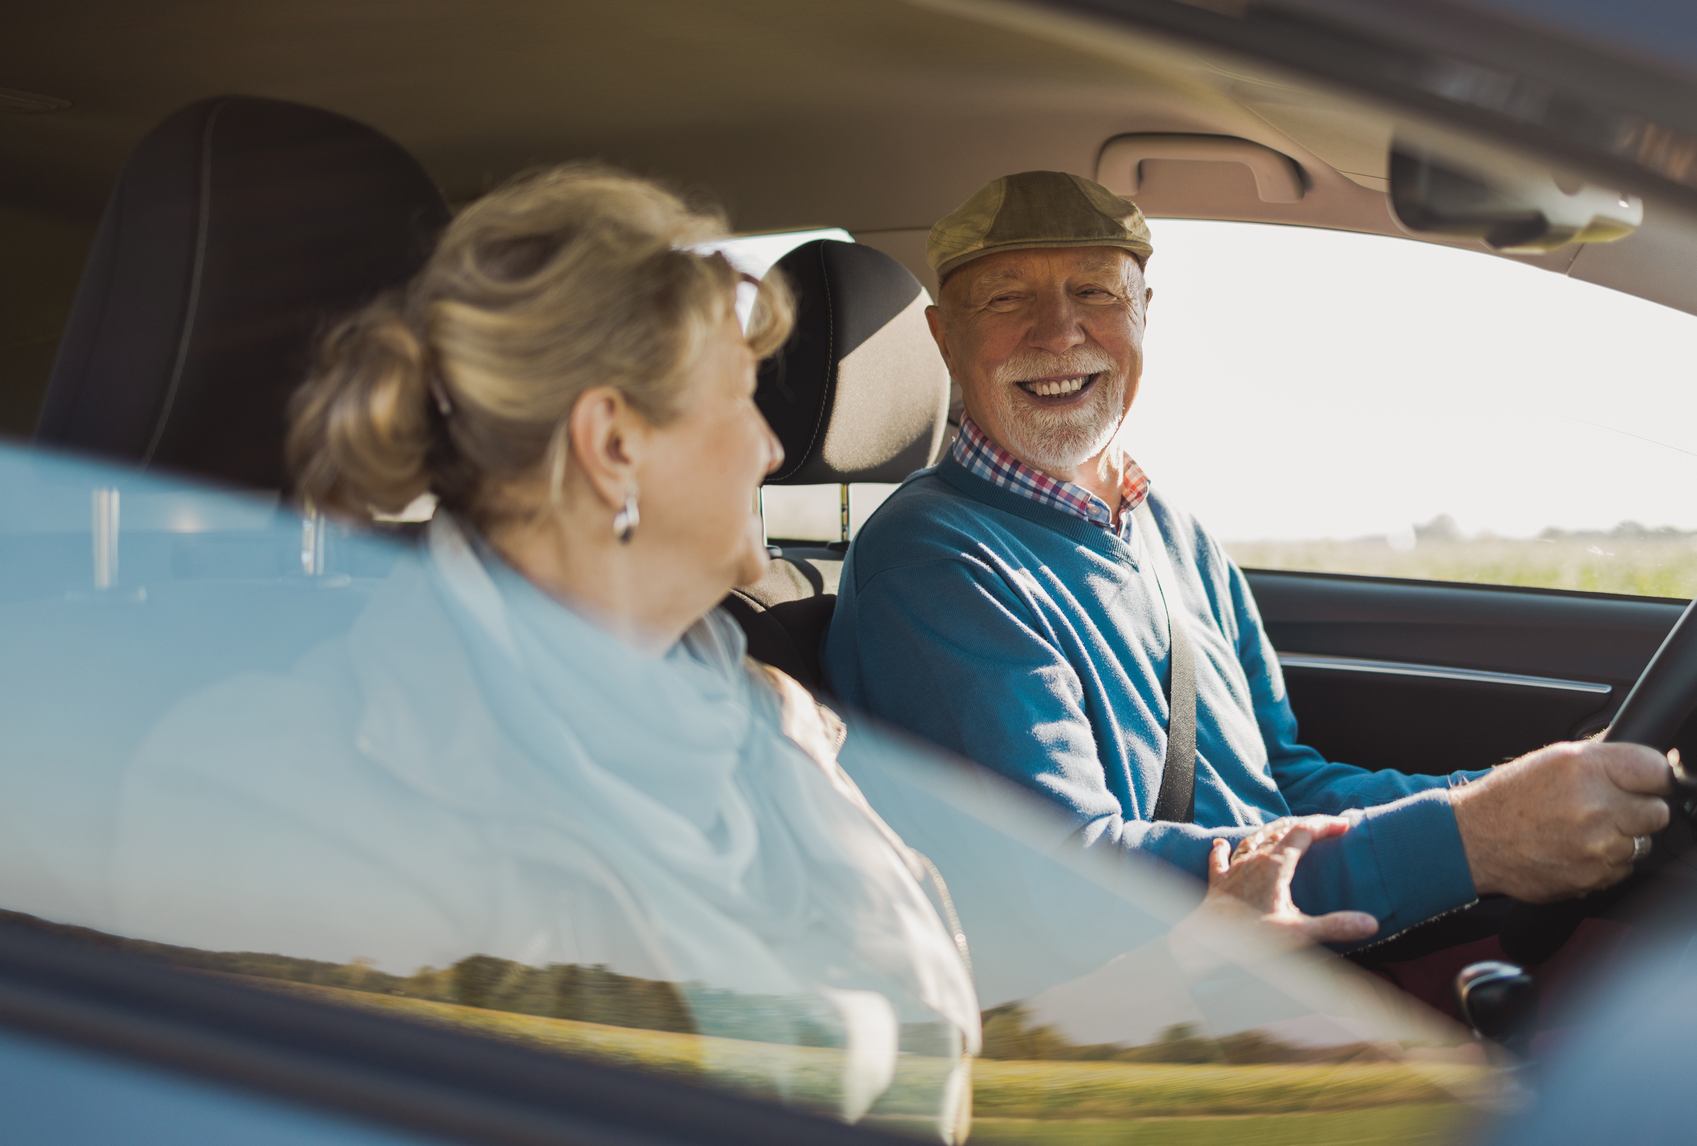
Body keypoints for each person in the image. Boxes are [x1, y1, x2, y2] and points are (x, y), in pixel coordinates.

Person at [103, 164, 1372, 1139]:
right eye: (736, 402)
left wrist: (1187, 952)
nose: (773, 448)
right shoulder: (282, 793)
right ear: (613, 445)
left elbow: (934, 1045)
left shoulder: (767, 718)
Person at [823, 170, 1673, 948]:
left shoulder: (1172, 532)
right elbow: (1066, 876)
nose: (1059, 330)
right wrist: (1474, 840)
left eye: (1094, 290)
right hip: (1140, 1018)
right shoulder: (933, 561)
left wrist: (1507, 797)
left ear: (1144, 311)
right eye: (1008, 298)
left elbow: (1282, 789)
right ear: (943, 338)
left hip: (1273, 969)